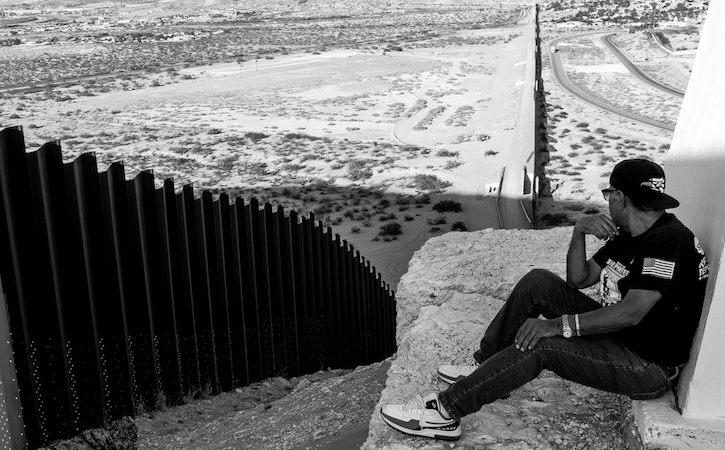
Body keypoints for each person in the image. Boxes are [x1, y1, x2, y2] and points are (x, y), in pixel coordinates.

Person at [380, 159, 709, 441]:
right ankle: (489, 365)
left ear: (621, 198)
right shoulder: (633, 233)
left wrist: (558, 325)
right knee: (538, 281)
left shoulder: (666, 243)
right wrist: (579, 231)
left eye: (609, 195)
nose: (607, 202)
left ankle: (445, 412)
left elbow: (632, 313)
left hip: (645, 364)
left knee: (542, 344)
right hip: (625, 338)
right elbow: (579, 279)